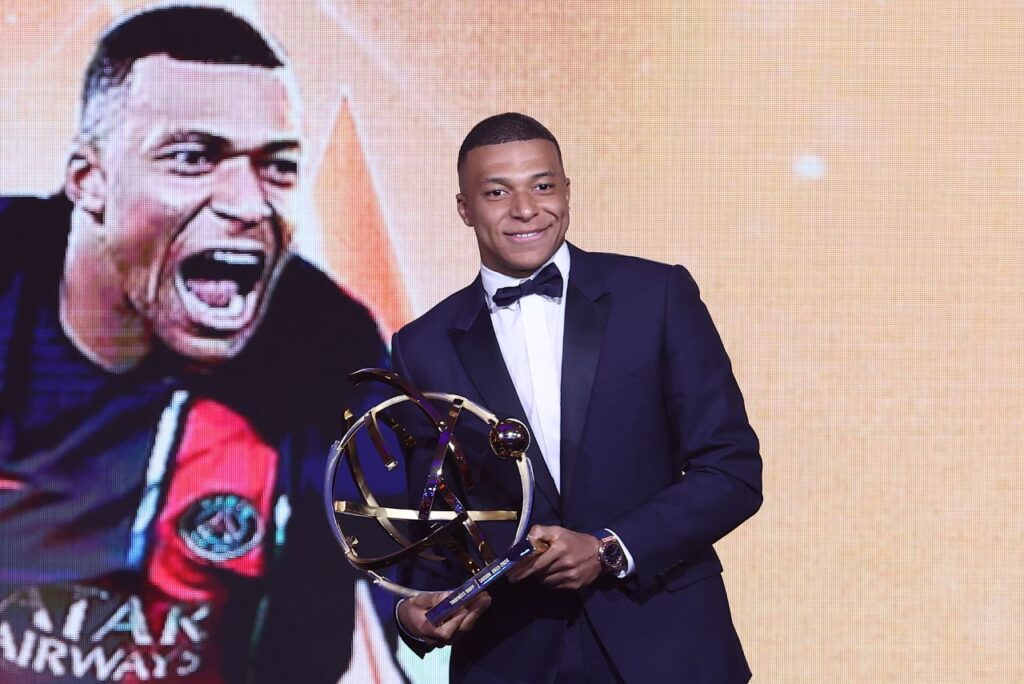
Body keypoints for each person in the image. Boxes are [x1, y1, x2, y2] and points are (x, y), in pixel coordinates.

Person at [0, 6, 397, 683]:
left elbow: (400, 592)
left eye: (277, 166)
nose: (248, 203)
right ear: (89, 180)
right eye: (192, 157)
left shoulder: (325, 348)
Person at [390, 113, 763, 682]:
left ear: (567, 191)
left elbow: (731, 470)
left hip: (667, 645)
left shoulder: (656, 296)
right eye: (497, 192)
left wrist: (610, 548)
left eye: (542, 185)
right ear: (464, 208)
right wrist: (413, 609)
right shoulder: (422, 346)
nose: (525, 209)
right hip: (509, 656)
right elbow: (430, 520)